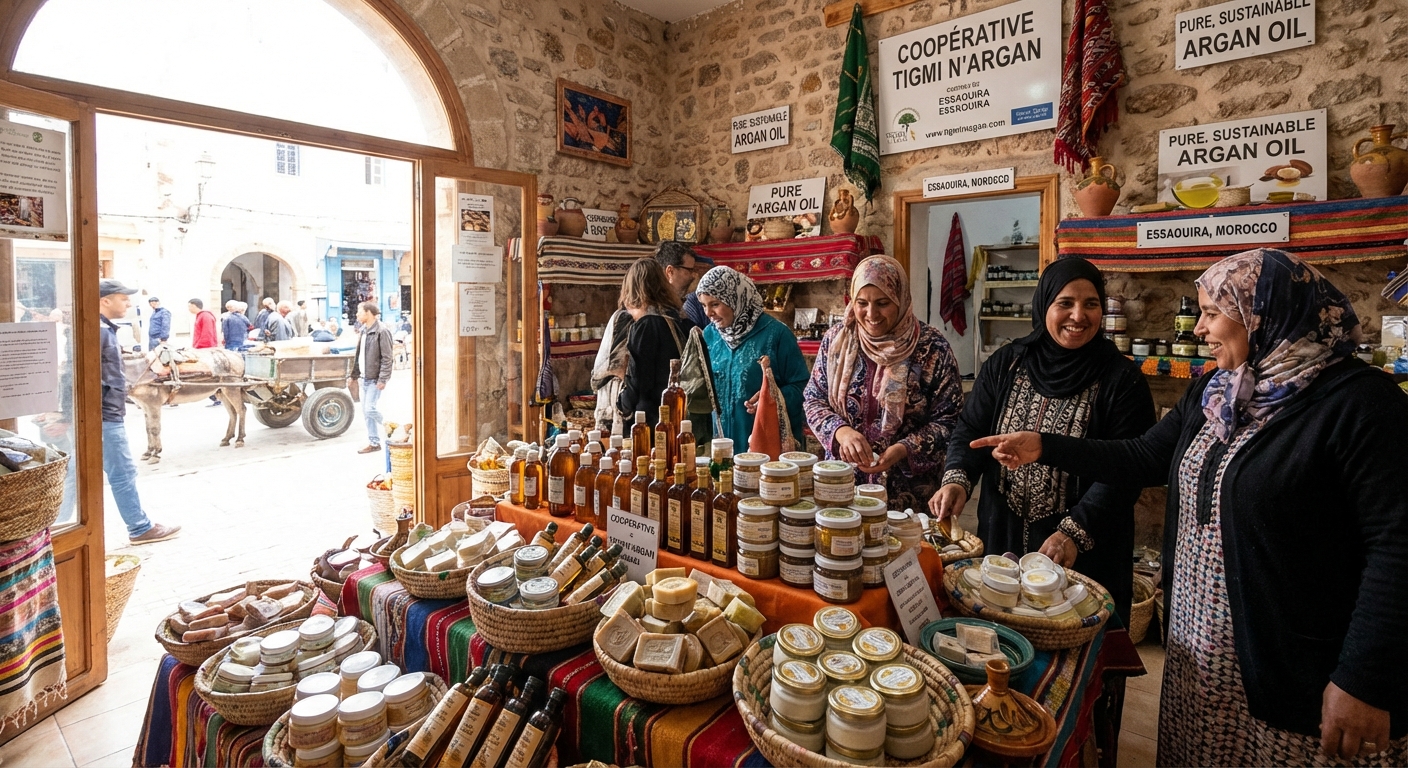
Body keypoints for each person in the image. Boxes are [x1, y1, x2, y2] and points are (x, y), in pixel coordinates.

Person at [971, 249, 1408, 766]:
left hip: (1294, 661)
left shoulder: (1360, 405)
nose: (1199, 328)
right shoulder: (1217, 390)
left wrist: (1363, 677)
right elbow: (1143, 455)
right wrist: (1046, 444)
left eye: (1212, 313)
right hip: (1202, 649)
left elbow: (1398, 548)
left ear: (1262, 313)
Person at [930, 257, 1154, 621]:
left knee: (1076, 652)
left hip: (1084, 550)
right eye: (1065, 303)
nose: (1078, 316)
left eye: (1091, 304)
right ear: (1044, 304)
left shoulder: (1121, 380)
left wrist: (1073, 533)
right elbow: (971, 430)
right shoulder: (1006, 364)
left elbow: (1126, 468)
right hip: (1003, 533)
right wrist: (957, 479)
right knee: (1004, 642)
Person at [803, 255, 964, 511]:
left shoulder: (932, 348)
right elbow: (814, 398)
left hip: (907, 493)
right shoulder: (838, 341)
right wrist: (841, 432)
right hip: (842, 482)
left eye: (882, 303)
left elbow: (950, 420)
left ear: (900, 300)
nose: (871, 314)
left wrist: (904, 448)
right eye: (862, 303)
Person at [97, 280, 182, 544]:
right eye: (123, 298)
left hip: (101, 412)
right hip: (105, 416)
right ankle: (139, 527)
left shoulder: (103, 330)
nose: (129, 303)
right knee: (122, 472)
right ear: (105, 301)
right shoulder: (99, 331)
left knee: (76, 475)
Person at [696, 266, 808, 451]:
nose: (708, 313)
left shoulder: (777, 334)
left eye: (715, 304)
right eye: (703, 305)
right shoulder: (710, 336)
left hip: (766, 445)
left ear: (736, 298)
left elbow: (802, 387)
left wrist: (771, 399)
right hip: (720, 447)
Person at [616, 258, 686, 427]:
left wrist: (622, 405)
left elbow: (638, 379)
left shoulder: (645, 326)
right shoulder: (677, 321)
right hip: (676, 412)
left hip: (650, 419)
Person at [348, 301, 393, 454]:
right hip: (363, 378)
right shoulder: (363, 330)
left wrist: (383, 379)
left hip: (374, 378)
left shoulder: (382, 331)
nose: (356, 314)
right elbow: (359, 356)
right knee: (367, 413)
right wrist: (354, 375)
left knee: (370, 409)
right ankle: (374, 442)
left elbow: (387, 357)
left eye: (359, 312)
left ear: (368, 313)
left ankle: (391, 426)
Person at [655, 241, 709, 331]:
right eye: (689, 270)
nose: (694, 276)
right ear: (670, 272)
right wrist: (690, 296)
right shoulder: (655, 306)